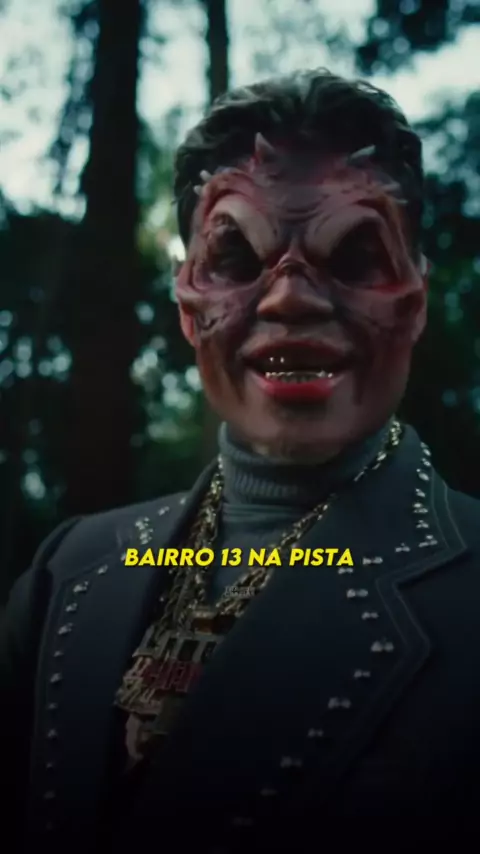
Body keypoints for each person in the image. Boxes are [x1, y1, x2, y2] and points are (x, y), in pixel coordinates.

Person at [2, 68, 480, 854]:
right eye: (235, 253)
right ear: (188, 306)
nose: (290, 299)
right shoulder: (66, 573)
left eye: (355, 255)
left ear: (416, 301)